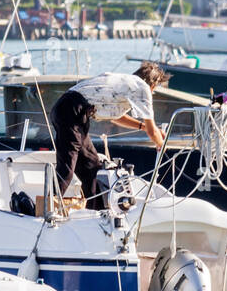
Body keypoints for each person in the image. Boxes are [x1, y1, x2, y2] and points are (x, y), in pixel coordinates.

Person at [50, 62, 169, 211]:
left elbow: (116, 117)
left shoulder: (125, 82)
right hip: (73, 110)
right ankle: (46, 208)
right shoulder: (142, 88)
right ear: (153, 83)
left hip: (72, 110)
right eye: (155, 89)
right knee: (68, 162)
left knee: (92, 166)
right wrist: (160, 144)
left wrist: (143, 127)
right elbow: (153, 132)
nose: (152, 93)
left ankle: (96, 211)